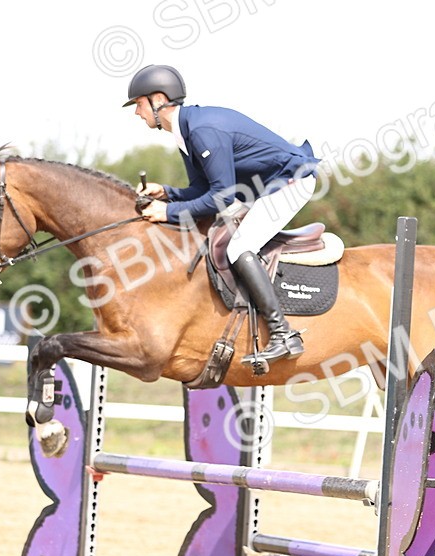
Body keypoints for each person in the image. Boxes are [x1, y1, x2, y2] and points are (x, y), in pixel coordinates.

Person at [124, 64, 319, 367]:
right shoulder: (186, 132)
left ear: (158, 99)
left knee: (239, 246)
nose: (137, 113)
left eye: (138, 104)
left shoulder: (202, 130)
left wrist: (168, 212)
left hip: (292, 180)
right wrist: (168, 193)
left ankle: (283, 334)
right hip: (266, 187)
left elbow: (221, 198)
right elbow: (203, 189)